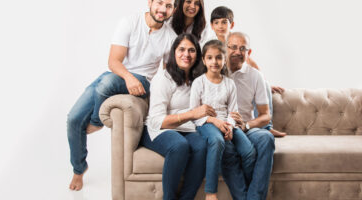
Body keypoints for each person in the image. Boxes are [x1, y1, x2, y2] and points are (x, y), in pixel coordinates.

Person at [66, 0, 177, 191]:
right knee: (73, 119)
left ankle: (97, 121)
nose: (163, 10)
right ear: (150, 2)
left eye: (169, 6)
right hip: (117, 74)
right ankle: (79, 168)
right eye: (160, 3)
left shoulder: (170, 37)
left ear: (173, 9)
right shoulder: (130, 22)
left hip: (144, 81)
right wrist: (128, 78)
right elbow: (113, 61)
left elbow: (167, 74)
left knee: (107, 83)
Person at [140, 33, 212, 200]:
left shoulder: (200, 79)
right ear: (173, 52)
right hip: (158, 129)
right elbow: (157, 120)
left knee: (202, 146)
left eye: (192, 50)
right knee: (179, 146)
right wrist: (192, 114)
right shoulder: (163, 78)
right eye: (181, 49)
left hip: (188, 128)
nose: (186, 54)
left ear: (198, 55)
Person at [189, 40, 256, 200]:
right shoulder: (199, 83)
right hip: (206, 123)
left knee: (248, 151)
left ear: (224, 59)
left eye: (218, 58)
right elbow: (194, 113)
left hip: (226, 123)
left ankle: (249, 190)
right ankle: (211, 192)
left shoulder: (229, 83)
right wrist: (214, 122)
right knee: (218, 141)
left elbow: (233, 111)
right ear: (204, 60)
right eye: (210, 58)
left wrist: (229, 126)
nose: (214, 62)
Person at [210, 6, 286, 137]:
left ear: (231, 25)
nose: (220, 26)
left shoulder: (236, 40)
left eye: (224, 22)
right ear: (211, 26)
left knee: (264, 84)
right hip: (223, 79)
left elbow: (249, 62)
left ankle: (266, 127)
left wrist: (262, 81)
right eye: (216, 22)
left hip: (240, 78)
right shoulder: (212, 44)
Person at [221, 32, 275, 200]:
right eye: (233, 47)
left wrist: (246, 125)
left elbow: (266, 115)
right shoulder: (216, 71)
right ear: (225, 48)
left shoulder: (255, 75)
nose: (238, 52)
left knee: (266, 139)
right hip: (224, 128)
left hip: (247, 127)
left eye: (243, 48)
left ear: (249, 53)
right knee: (228, 148)